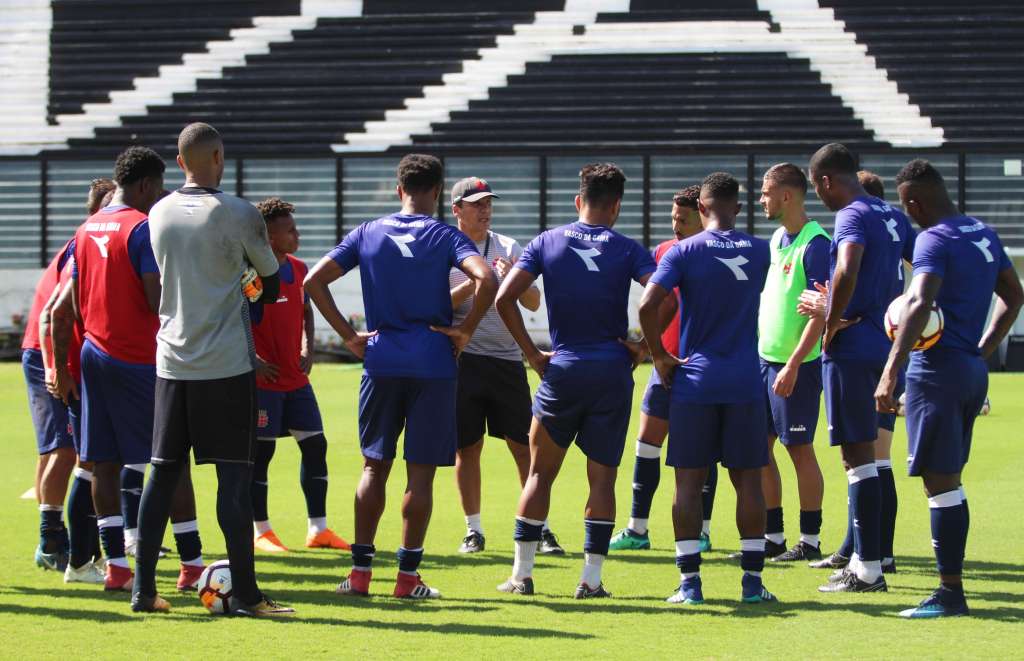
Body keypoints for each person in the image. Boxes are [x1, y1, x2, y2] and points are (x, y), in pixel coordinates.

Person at [306, 154, 497, 600]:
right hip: (433, 362)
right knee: (421, 475)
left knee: (374, 466)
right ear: (436, 192)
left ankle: (359, 576)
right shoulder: (446, 235)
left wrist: (349, 336)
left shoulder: (368, 232)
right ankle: (407, 580)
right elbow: (485, 277)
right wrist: (465, 330)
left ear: (399, 190)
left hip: (381, 358)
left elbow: (312, 282)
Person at [129, 123, 287, 615]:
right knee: (233, 481)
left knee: (161, 475)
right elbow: (271, 279)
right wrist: (242, 276)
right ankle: (245, 594)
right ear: (219, 156)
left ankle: (143, 591)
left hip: (172, 362)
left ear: (179, 162)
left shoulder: (157, 212)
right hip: (225, 367)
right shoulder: (239, 213)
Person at [49, 149, 206, 596]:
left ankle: (116, 565)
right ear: (143, 186)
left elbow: (64, 312)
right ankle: (192, 564)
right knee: (171, 460)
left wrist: (63, 366)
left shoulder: (84, 230)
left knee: (104, 462)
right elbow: (158, 299)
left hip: (95, 357)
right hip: (142, 360)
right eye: (157, 189)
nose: (159, 198)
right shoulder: (140, 228)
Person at [494, 163, 655, 599]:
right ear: (617, 205)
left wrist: (531, 354)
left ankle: (522, 576)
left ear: (578, 201)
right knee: (602, 481)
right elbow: (666, 297)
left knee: (538, 476)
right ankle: (591, 580)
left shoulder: (547, 241)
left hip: (561, 371)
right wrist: (642, 347)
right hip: (611, 372)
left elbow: (504, 296)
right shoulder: (626, 248)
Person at [877, 159, 1022, 617]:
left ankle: (949, 592)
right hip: (969, 370)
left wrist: (889, 372)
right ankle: (950, 588)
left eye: (906, 207)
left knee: (940, 484)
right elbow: (1014, 296)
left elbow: (918, 302)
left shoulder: (932, 240)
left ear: (914, 202)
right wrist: (981, 350)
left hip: (936, 372)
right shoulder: (982, 232)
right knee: (949, 480)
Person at [639, 172, 774, 605]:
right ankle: (752, 585)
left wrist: (659, 356)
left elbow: (647, 305)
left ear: (701, 208)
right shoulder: (760, 250)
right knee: (749, 483)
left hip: (695, 380)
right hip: (745, 380)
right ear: (737, 207)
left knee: (687, 484)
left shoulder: (683, 250)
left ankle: (690, 584)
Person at [802, 143, 913, 593]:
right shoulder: (893, 216)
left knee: (857, 458)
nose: (820, 198)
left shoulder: (850, 215)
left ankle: (867, 569)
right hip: (886, 348)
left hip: (852, 348)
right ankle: (872, 558)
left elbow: (846, 268)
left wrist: (830, 320)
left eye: (817, 189)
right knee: (875, 456)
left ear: (827, 180)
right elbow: (918, 266)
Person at [445, 177, 565, 555]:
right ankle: (473, 531)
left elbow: (532, 301)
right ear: (457, 210)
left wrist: (511, 276)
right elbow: (438, 306)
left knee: (524, 447)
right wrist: (475, 283)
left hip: (507, 360)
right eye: (476, 203)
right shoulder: (443, 248)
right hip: (463, 362)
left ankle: (540, 528)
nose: (484, 209)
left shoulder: (509, 246)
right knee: (468, 448)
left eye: (488, 203)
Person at [610, 184, 720, 552]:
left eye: (683, 219)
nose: (676, 225)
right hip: (663, 363)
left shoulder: (715, 254)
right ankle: (637, 529)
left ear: (702, 217)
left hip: (699, 367)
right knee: (645, 444)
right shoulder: (663, 252)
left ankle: (702, 530)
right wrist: (647, 348)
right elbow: (657, 306)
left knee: (702, 452)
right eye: (673, 218)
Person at [249, 197, 349, 553]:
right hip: (262, 382)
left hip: (295, 378)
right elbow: (233, 319)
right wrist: (253, 357)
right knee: (261, 456)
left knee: (315, 446)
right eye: (289, 229)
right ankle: (260, 530)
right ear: (269, 237)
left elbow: (306, 309)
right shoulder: (251, 275)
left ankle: (318, 529)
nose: (297, 234)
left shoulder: (299, 268)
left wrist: (308, 346)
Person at [31, 178, 114, 582]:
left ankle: (70, 544)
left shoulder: (95, 244)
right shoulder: (85, 246)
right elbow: (52, 312)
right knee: (71, 452)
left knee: (68, 451)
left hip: (69, 356)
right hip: (50, 353)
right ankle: (59, 545)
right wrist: (54, 366)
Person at [755, 163, 829, 562]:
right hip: (765, 362)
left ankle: (811, 540)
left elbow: (821, 313)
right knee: (761, 449)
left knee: (798, 447)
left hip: (795, 366)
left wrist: (795, 364)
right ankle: (773, 536)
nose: (761, 199)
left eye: (766, 192)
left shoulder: (817, 244)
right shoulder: (777, 239)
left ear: (787, 196)